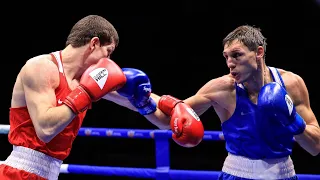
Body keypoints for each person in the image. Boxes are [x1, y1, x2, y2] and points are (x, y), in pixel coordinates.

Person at [113, 25, 320, 179]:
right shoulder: (223, 88)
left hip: (284, 173)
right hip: (236, 173)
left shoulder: (292, 84)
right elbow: (173, 117)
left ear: (259, 52)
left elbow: (315, 146)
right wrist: (140, 99)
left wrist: (293, 119)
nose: (230, 63)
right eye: (226, 57)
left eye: (237, 55)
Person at [0, 14, 136, 180]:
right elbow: (45, 129)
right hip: (18, 174)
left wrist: (170, 105)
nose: (108, 60)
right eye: (108, 52)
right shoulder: (41, 67)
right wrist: (84, 93)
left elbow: (134, 99)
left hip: (50, 174)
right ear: (94, 43)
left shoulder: (86, 80)